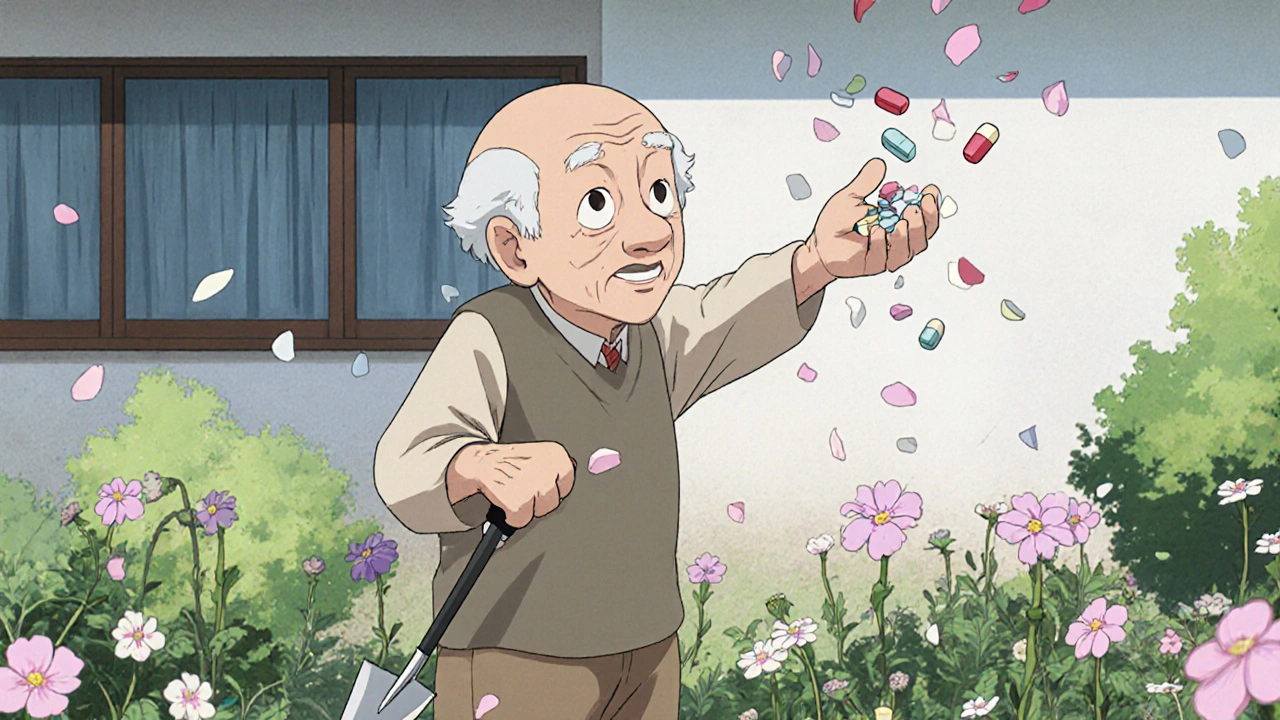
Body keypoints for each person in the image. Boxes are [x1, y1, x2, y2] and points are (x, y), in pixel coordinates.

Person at [373, 82, 940, 720]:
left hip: (646, 648)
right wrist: (480, 467)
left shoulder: (654, 331)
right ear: (514, 247)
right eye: (596, 203)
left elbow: (728, 314)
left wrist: (816, 262)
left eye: (659, 193)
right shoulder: (491, 334)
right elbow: (405, 464)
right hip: (517, 653)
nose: (648, 234)